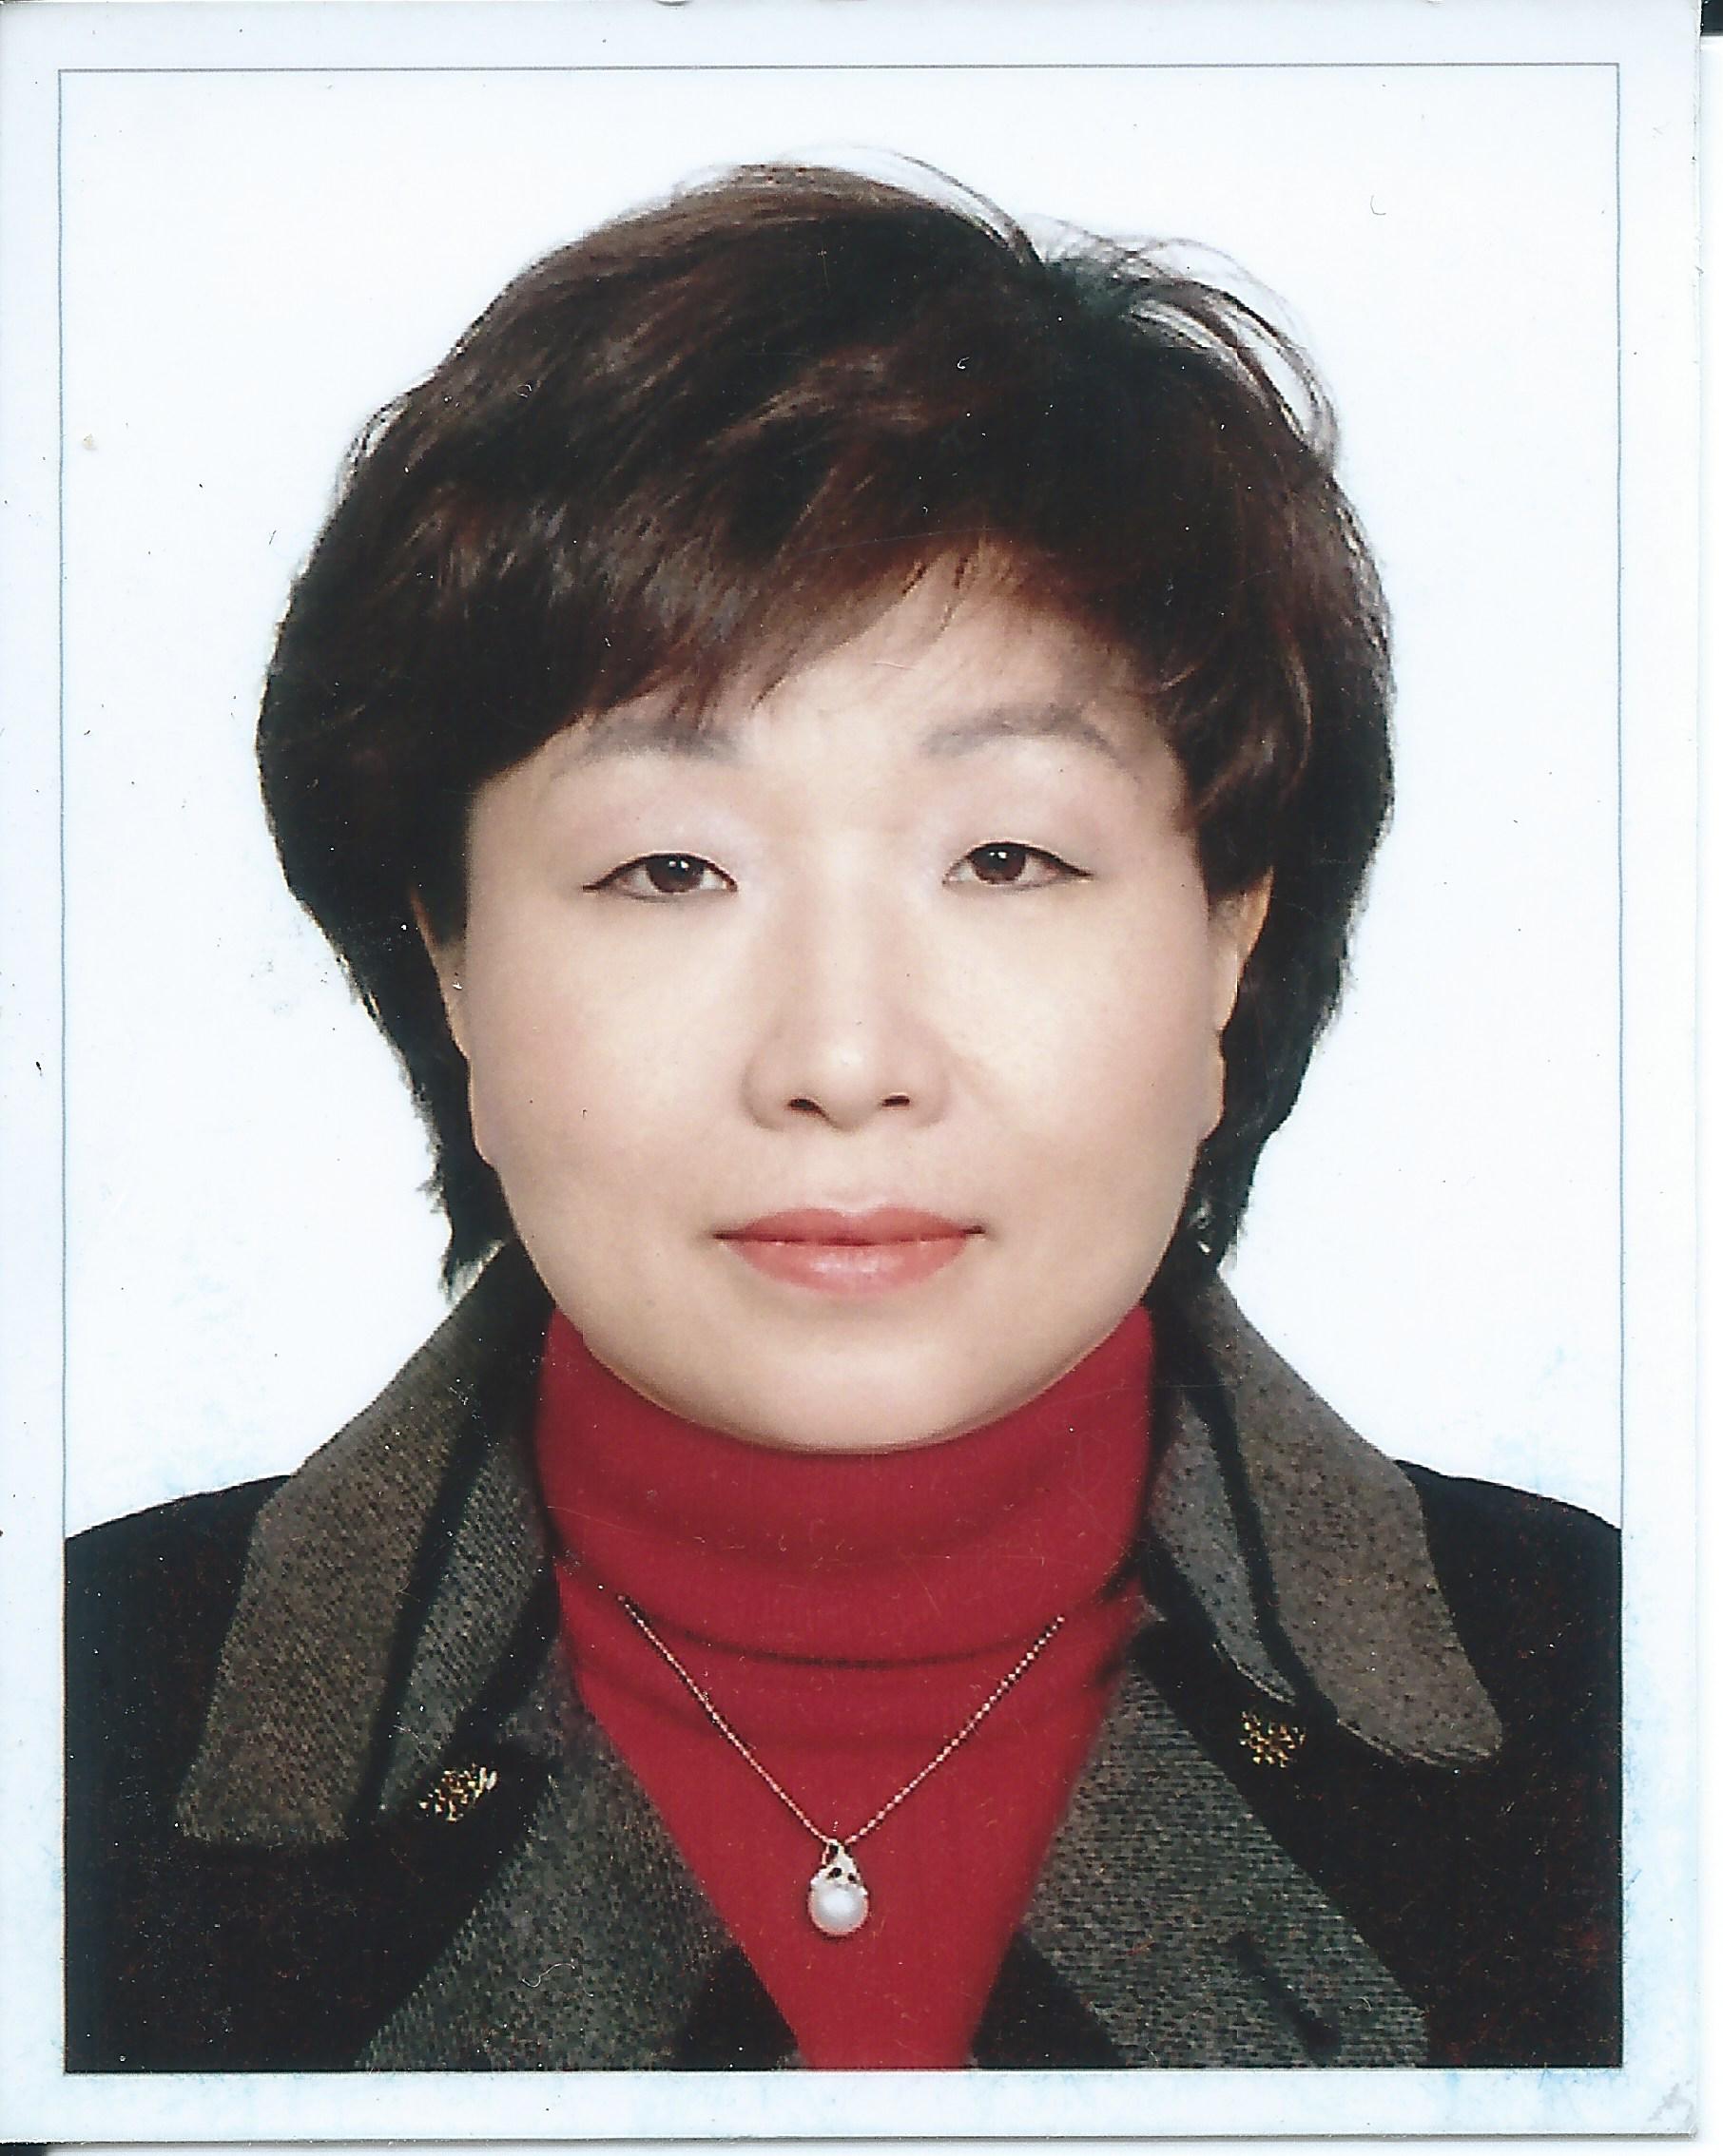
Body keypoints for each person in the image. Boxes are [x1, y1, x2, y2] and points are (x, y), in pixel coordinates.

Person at [65, 163, 1618, 2073]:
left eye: (1006, 857)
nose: (844, 1055)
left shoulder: (1626, 1697)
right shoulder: (76, 1720)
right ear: (450, 958)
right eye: (669, 869)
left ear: (1231, 934)